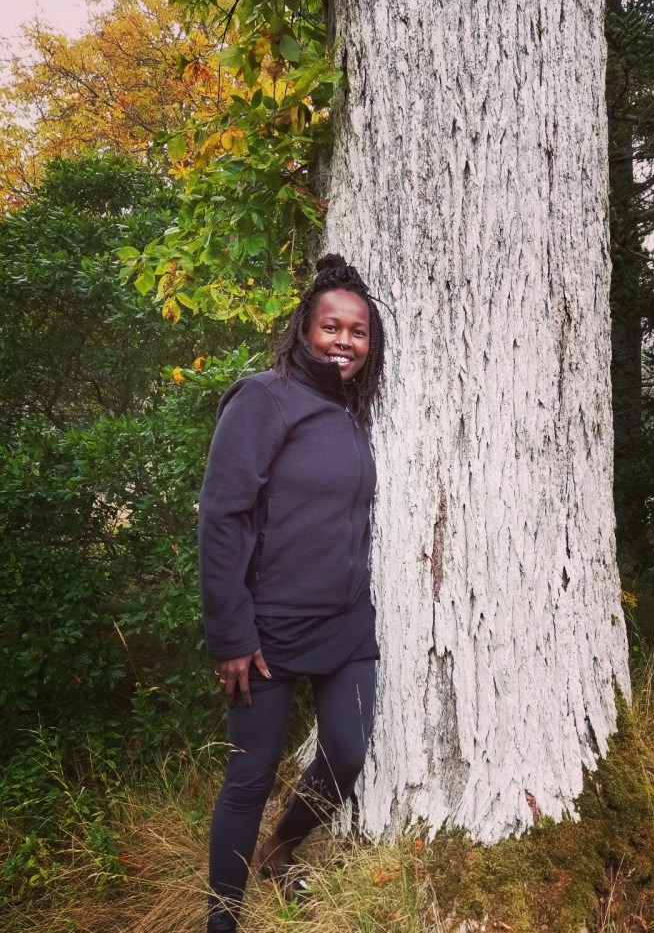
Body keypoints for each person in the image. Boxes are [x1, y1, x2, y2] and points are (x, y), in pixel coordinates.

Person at [198, 253, 386, 933]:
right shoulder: (262, 397)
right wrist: (230, 633)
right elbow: (223, 516)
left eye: (357, 331)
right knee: (248, 778)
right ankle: (222, 919)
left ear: (372, 342)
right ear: (304, 328)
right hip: (265, 630)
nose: (344, 340)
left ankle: (280, 851)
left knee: (347, 754)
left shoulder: (349, 413)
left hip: (345, 624)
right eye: (331, 326)